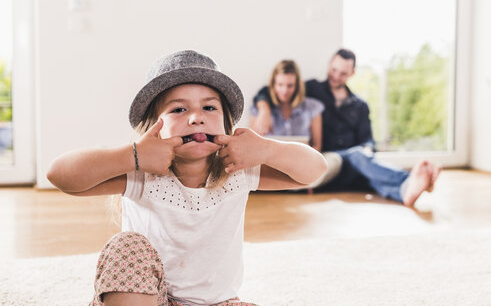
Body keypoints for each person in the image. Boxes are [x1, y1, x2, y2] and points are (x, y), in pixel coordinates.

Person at [47, 50, 327, 306]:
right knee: (126, 245)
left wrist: (267, 148)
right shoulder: (140, 175)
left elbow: (314, 171)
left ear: (226, 122)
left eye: (209, 108)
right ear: (153, 126)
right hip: (152, 300)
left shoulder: (238, 171)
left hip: (219, 303)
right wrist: (134, 155)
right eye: (179, 109)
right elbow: (59, 174)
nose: (196, 118)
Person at [252, 48, 440, 207]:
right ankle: (409, 182)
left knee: (362, 164)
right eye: (333, 70)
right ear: (329, 66)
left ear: (352, 74)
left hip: (353, 161)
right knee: (362, 168)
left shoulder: (360, 105)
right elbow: (273, 89)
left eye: (342, 73)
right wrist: (264, 107)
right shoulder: (313, 89)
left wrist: (366, 151)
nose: (335, 76)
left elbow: (367, 139)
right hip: (327, 160)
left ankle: (407, 189)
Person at [250, 59, 324, 151]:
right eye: (280, 85)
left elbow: (317, 147)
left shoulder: (312, 108)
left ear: (297, 86)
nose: (284, 91)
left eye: (290, 86)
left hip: (303, 162)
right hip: (270, 163)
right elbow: (253, 147)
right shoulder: (258, 109)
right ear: (273, 85)